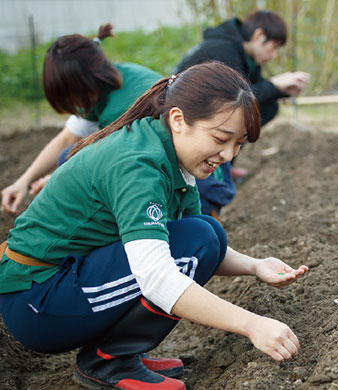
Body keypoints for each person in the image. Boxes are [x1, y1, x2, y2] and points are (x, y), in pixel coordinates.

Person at [0, 62, 309, 390]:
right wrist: (251, 325)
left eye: (239, 143)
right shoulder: (139, 167)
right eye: (221, 138)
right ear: (178, 120)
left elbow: (198, 242)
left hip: (60, 282)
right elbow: (157, 277)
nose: (228, 154)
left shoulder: (169, 151)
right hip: (37, 303)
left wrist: (256, 266)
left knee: (207, 233)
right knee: (194, 244)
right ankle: (108, 360)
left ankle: (117, 352)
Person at [1, 24, 162, 215]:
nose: (73, 105)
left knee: (70, 160)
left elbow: (113, 166)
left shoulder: (124, 106)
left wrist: (57, 179)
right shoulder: (115, 78)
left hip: (175, 182)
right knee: (67, 155)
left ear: (87, 81)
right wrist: (23, 182)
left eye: (71, 95)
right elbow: (66, 139)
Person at [175, 10, 310, 217]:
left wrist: (278, 90)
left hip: (213, 114)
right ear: (257, 35)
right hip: (196, 115)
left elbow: (251, 91)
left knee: (267, 106)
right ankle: (216, 172)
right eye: (272, 48)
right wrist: (275, 85)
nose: (273, 55)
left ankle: (224, 165)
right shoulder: (224, 51)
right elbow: (234, 99)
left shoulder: (243, 54)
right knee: (246, 113)